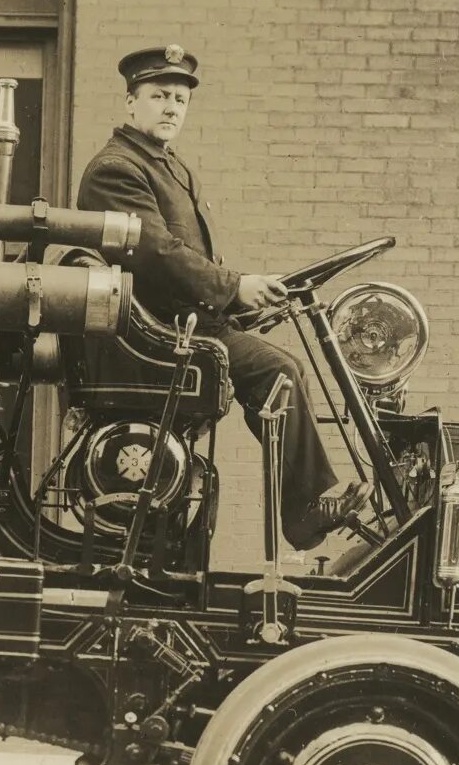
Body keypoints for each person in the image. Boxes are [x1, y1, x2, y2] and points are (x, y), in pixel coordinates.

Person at [75, 44, 364, 548]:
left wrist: (246, 297)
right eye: (158, 95)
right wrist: (235, 289)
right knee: (281, 371)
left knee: (280, 365)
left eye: (180, 100)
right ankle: (303, 513)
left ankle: (306, 503)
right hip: (159, 335)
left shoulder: (168, 167)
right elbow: (158, 254)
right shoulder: (116, 168)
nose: (170, 108)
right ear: (130, 103)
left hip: (189, 324)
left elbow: (184, 259)